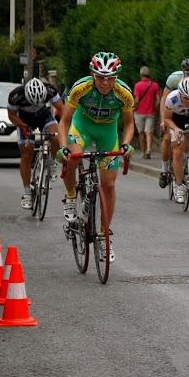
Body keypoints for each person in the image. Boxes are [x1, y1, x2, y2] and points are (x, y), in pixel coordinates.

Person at [56, 52, 135, 263]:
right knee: (72, 157)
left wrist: (127, 144)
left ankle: (103, 235)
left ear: (116, 77)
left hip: (107, 132)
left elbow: (129, 123)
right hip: (82, 126)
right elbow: (64, 121)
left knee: (108, 184)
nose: (105, 82)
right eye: (100, 77)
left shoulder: (124, 93)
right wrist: (62, 147)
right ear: (92, 74)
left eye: (110, 78)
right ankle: (71, 196)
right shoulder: (80, 88)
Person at [6, 77, 64, 209]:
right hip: (24, 120)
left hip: (44, 116)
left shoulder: (50, 90)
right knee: (27, 153)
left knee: (55, 137)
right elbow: (11, 115)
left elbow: (62, 109)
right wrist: (23, 127)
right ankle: (27, 193)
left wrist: (60, 125)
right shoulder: (16, 95)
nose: (35, 104)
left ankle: (52, 162)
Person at [158, 58, 189, 188]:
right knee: (167, 138)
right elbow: (164, 99)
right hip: (174, 112)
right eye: (188, 74)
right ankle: (164, 169)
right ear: (183, 72)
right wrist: (163, 121)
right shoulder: (173, 79)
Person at [161, 77, 189, 204]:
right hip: (176, 120)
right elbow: (167, 119)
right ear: (180, 94)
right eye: (185, 98)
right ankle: (179, 186)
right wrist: (175, 129)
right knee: (177, 152)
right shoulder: (172, 99)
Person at [133, 66, 160, 159]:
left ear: (141, 74)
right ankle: (149, 149)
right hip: (150, 112)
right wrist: (154, 107)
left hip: (139, 112)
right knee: (149, 132)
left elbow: (137, 100)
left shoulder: (137, 85)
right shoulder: (155, 85)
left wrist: (133, 107)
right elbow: (158, 100)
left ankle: (143, 152)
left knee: (141, 133)